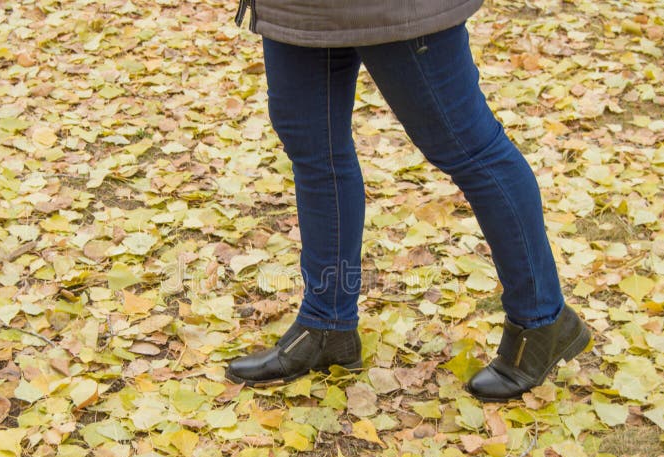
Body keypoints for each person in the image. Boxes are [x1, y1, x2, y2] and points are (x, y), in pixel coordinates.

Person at [224, 0, 592, 402]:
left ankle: (541, 320)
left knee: (468, 146)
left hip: (392, 8)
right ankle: (326, 322)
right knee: (313, 149)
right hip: (296, 8)